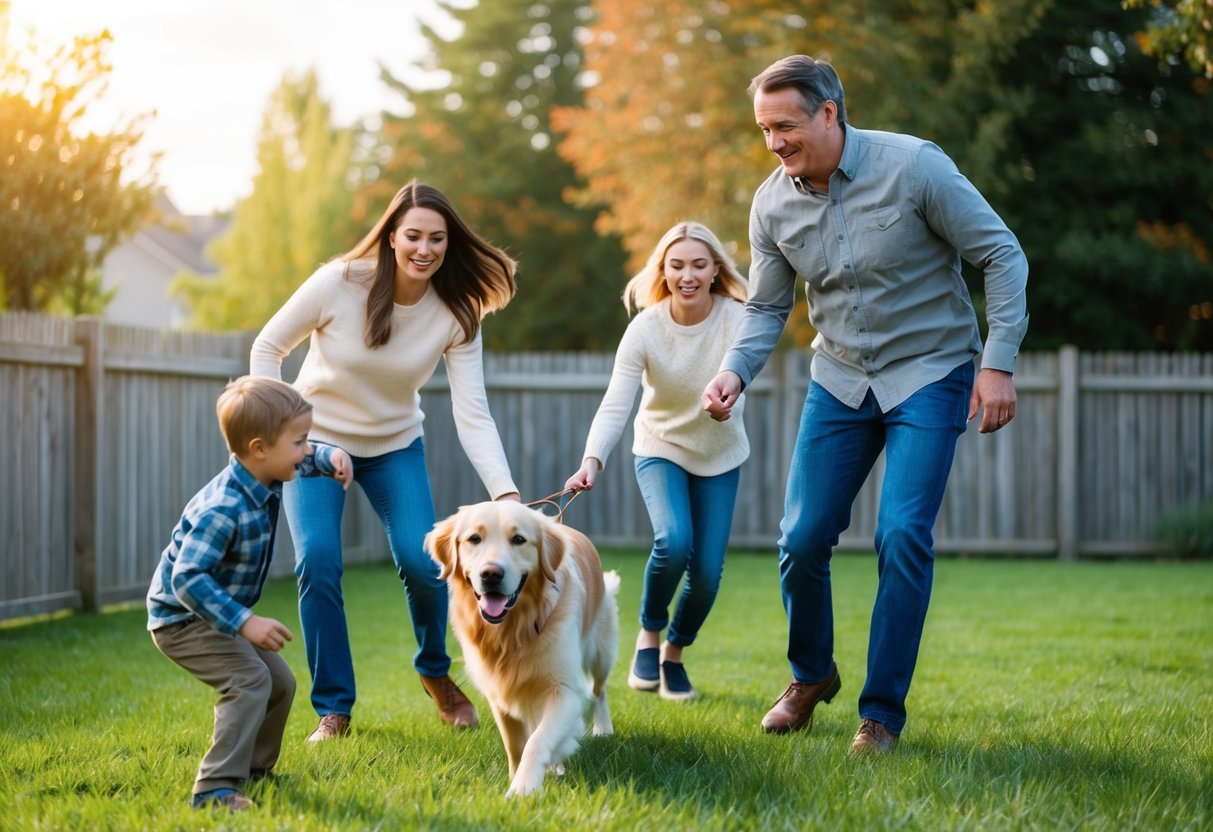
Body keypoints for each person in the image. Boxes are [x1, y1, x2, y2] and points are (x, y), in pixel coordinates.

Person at [703, 55, 1029, 752]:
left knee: (901, 534)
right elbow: (764, 307)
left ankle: (879, 715)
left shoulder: (914, 168)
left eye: (784, 126)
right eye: (763, 129)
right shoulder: (771, 201)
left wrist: (996, 364)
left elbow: (1001, 255)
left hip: (930, 370)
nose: (774, 143)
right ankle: (811, 675)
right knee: (801, 538)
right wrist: (735, 371)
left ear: (828, 112)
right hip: (840, 377)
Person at [250, 180, 521, 741]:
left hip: (395, 447)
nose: (425, 249)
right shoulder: (339, 283)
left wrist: (505, 493)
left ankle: (436, 673)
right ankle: (335, 710)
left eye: (438, 239)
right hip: (315, 447)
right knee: (318, 561)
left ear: (450, 244)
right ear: (391, 236)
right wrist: (284, 437)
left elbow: (473, 414)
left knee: (426, 563)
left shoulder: (457, 311)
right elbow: (266, 348)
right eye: (414, 236)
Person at [147, 376, 353, 811]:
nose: (305, 450)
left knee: (280, 682)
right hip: (182, 620)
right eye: (300, 442)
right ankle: (215, 789)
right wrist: (246, 621)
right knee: (249, 680)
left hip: (213, 614)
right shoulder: (224, 507)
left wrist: (330, 455)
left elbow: (301, 460)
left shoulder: (263, 474)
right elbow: (187, 579)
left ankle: (256, 773)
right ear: (260, 448)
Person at [566, 221, 750, 702]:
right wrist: (592, 460)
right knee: (674, 540)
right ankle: (649, 633)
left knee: (707, 574)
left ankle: (674, 652)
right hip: (660, 447)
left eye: (698, 265)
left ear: (715, 271)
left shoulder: (737, 317)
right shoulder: (646, 328)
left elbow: (745, 367)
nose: (687, 275)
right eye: (676, 265)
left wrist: (726, 399)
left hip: (720, 452)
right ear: (663, 272)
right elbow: (617, 401)